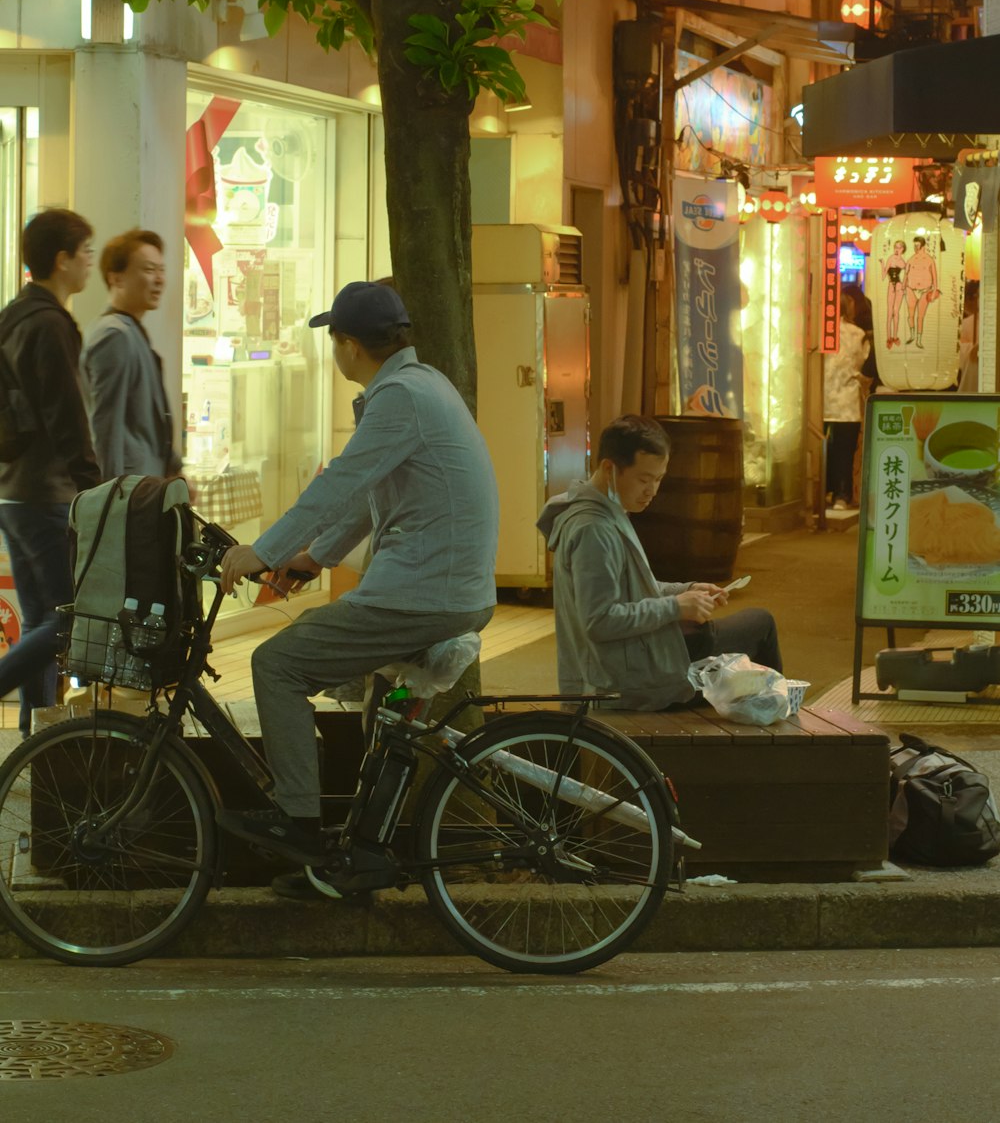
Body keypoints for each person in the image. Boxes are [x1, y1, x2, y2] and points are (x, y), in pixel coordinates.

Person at [216, 281, 499, 863]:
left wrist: (265, 550)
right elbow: (371, 494)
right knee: (380, 712)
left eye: (334, 340)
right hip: (447, 586)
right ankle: (356, 853)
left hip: (424, 592)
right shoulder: (423, 384)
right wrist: (312, 557)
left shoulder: (400, 397)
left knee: (276, 666)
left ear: (347, 345)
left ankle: (297, 821)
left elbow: (341, 481)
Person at [536, 415, 782, 712]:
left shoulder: (596, 509)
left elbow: (632, 587)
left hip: (620, 665)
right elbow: (600, 621)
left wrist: (687, 590)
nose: (652, 490)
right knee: (761, 623)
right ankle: (778, 728)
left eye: (659, 479)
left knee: (716, 636)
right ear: (609, 469)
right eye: (644, 479)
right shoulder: (594, 529)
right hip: (624, 682)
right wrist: (675, 607)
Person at [0, 209, 102, 736]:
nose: (90, 261)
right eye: (85, 251)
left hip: (14, 491)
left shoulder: (14, 315)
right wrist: (96, 491)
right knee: (68, 618)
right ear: (61, 260)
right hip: (46, 493)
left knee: (44, 620)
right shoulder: (49, 324)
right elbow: (66, 417)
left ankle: (31, 738)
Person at [80, 228, 186, 483]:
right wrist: (109, 495)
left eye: (161, 270)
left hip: (145, 484)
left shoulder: (130, 330)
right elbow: (106, 426)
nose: (159, 279)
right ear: (116, 278)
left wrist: (173, 469)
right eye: (149, 270)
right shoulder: (113, 336)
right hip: (129, 490)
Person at [823, 290, 870, 510]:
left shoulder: (819, 334)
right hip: (848, 403)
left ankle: (822, 490)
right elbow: (863, 362)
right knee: (844, 451)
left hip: (820, 402)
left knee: (823, 450)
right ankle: (841, 496)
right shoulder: (857, 334)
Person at [902, 234, 939, 349]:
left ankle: (919, 339)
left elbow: (935, 278)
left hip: (924, 290)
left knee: (921, 316)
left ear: (923, 246)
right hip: (911, 289)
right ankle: (912, 335)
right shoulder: (911, 260)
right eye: (914, 246)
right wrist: (903, 288)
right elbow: (905, 275)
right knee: (911, 315)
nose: (915, 248)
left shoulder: (929, 260)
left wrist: (933, 292)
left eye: (917, 246)